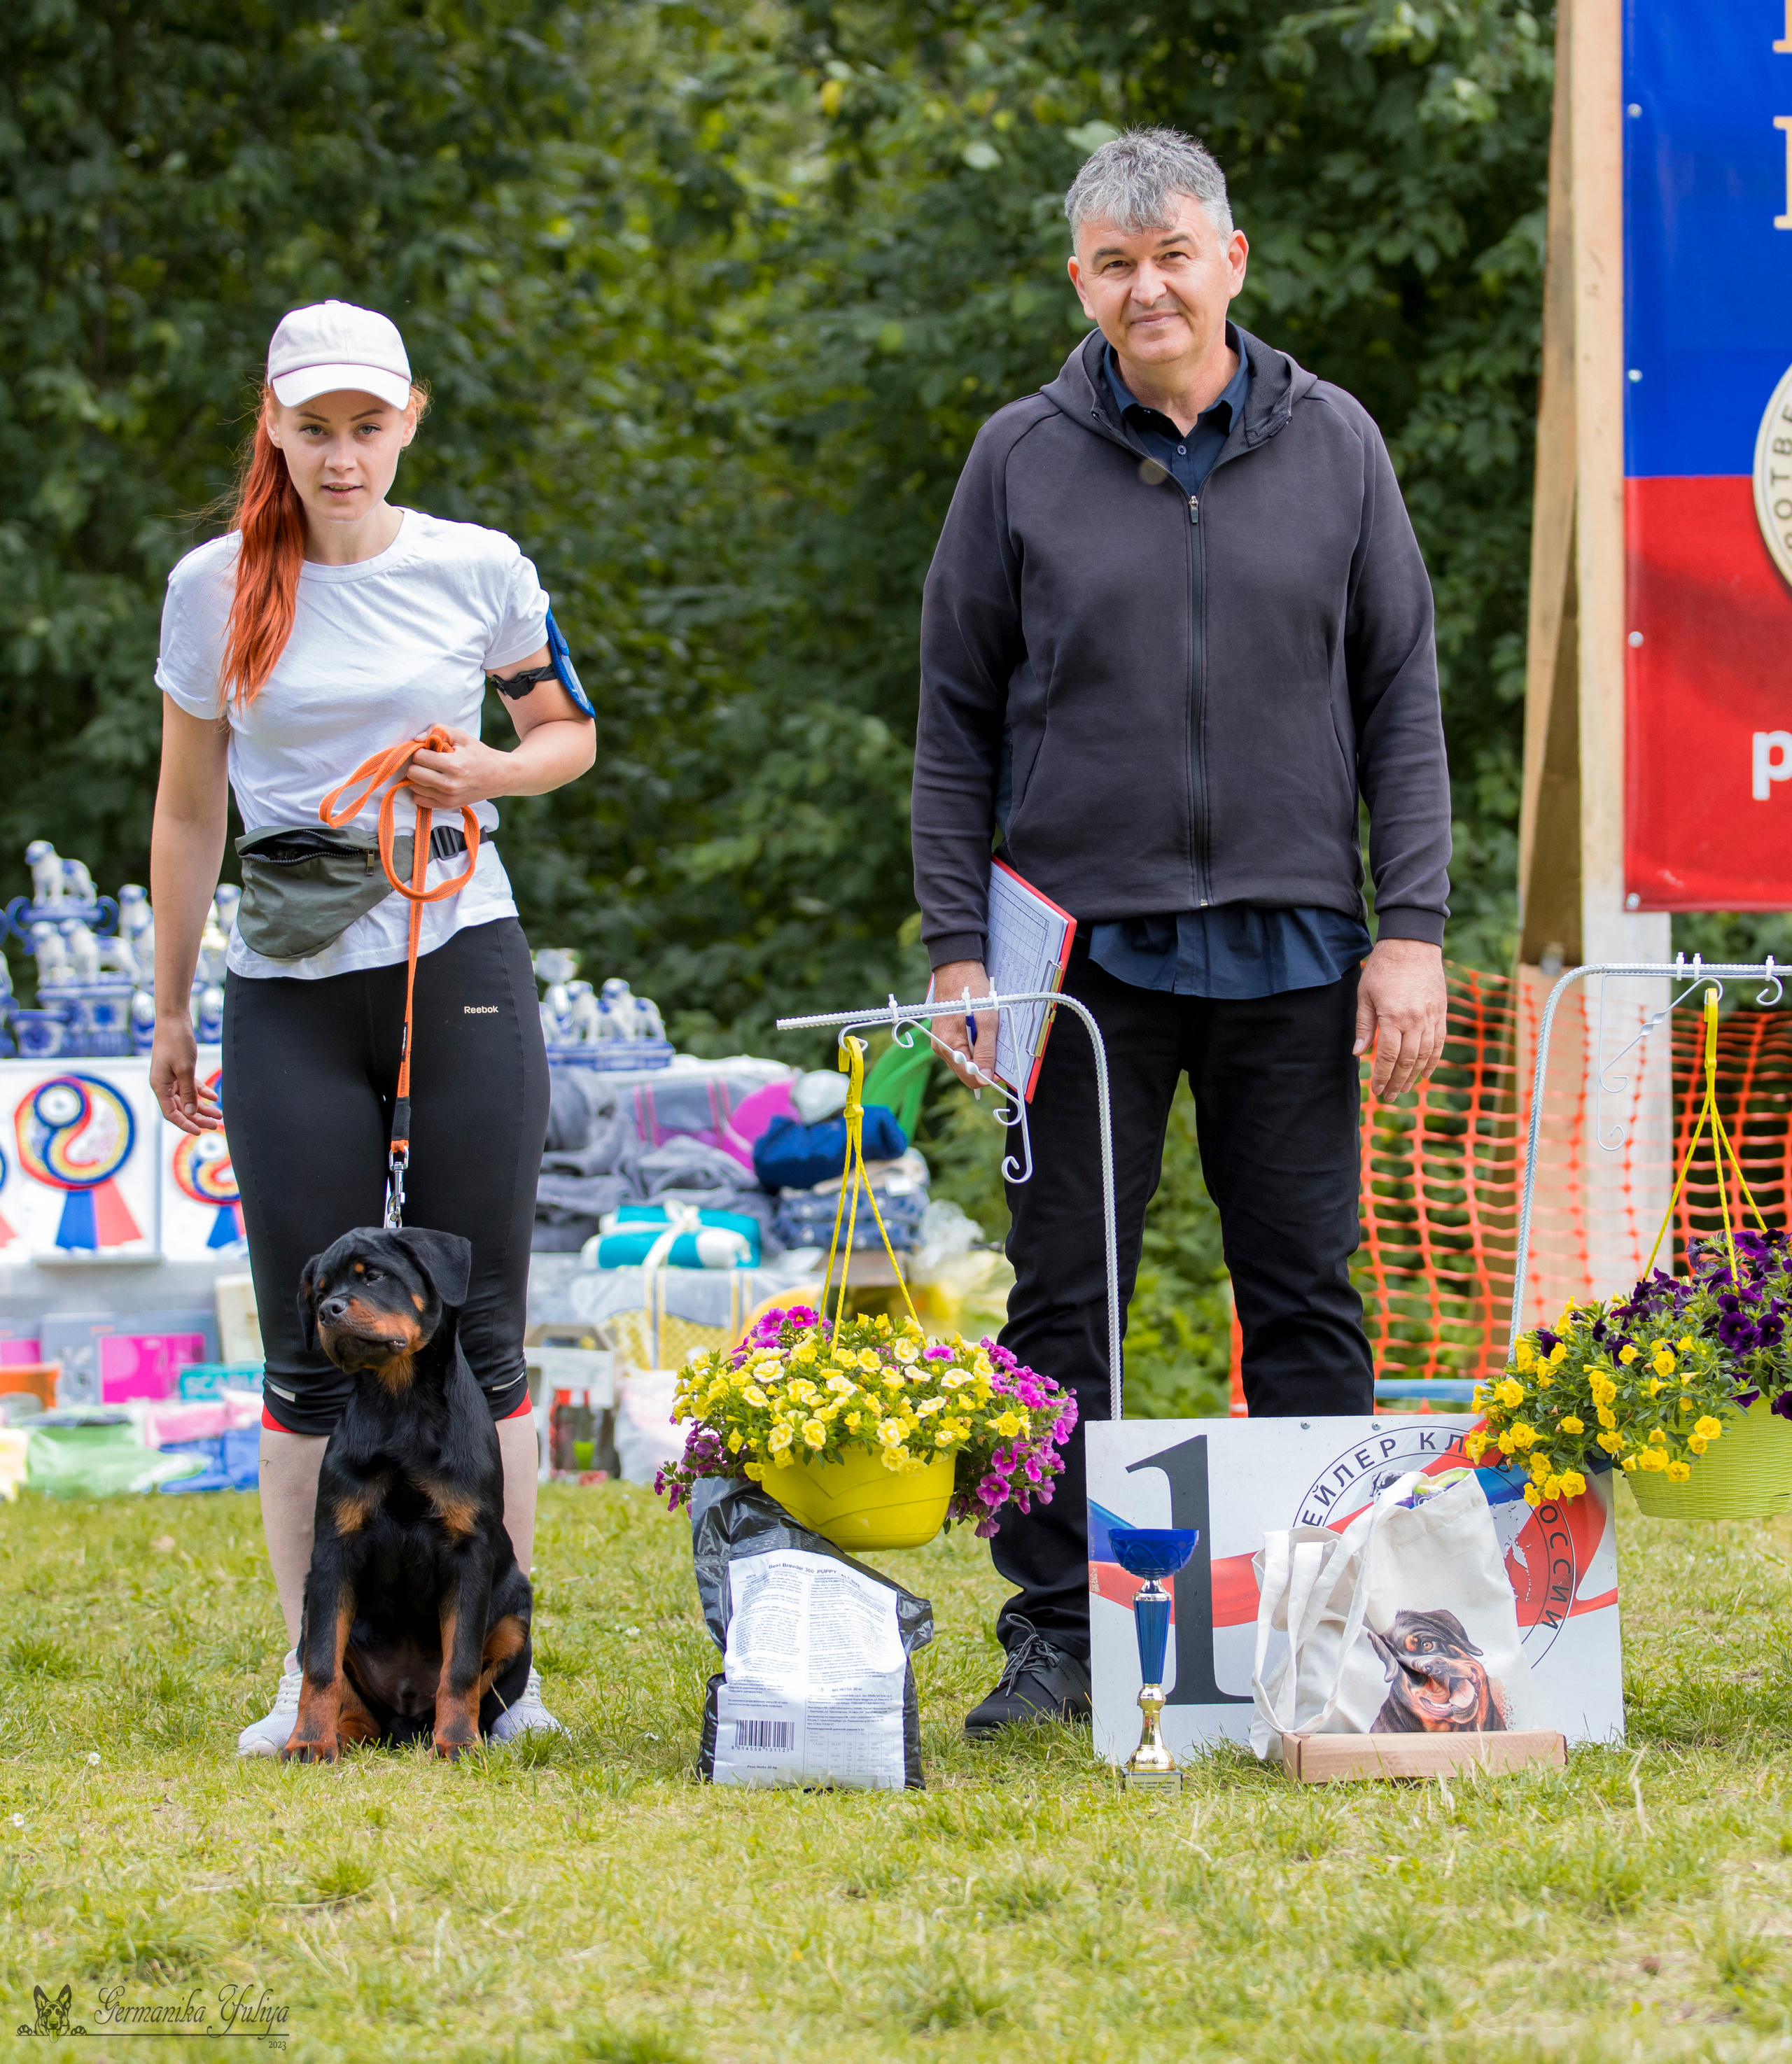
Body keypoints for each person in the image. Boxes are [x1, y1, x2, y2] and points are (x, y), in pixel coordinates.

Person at [912, 129, 1452, 1736]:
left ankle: (1333, 1617)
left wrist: (1406, 925)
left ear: (1231, 257)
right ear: (1077, 281)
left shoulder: (1337, 442)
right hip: (1073, 962)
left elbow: (1399, 701)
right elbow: (950, 721)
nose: (1145, 284)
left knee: (1304, 1288)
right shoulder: (1017, 456)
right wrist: (957, 943)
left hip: (1298, 944)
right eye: (1110, 261)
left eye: (1172, 252)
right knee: (1058, 1304)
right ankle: (1058, 1630)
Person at [150, 301, 596, 1754]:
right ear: (273, 426)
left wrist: (490, 768)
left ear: (408, 423)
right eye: (313, 427)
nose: (341, 456)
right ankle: (312, 1676)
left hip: (454, 950)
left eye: (366, 426)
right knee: (305, 1346)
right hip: (286, 984)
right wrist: (168, 1004)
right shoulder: (213, 585)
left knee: (485, 1331)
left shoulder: (478, 566)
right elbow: (187, 806)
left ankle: (505, 1684)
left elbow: (563, 731)